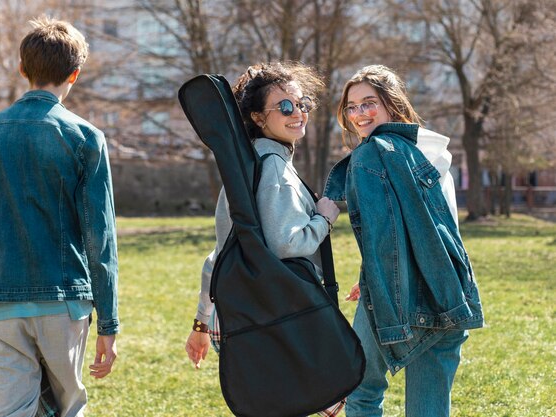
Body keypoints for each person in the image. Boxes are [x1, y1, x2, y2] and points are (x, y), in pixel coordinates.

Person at [0, 16, 119, 417]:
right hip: (65, 301)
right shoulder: (87, 138)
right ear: (75, 73)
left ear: (22, 69)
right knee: (67, 409)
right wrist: (109, 323)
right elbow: (99, 238)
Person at [184, 62, 344, 416]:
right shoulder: (273, 168)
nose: (297, 113)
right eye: (284, 106)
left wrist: (202, 321)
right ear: (258, 117)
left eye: (301, 104)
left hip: (246, 312)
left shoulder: (244, 165)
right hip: (284, 315)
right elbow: (286, 245)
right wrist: (324, 218)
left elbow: (220, 253)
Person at [324, 64, 484, 417]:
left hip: (397, 297)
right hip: (450, 294)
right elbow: (431, 230)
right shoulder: (432, 149)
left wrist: (377, 281)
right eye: (351, 107)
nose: (358, 114)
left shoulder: (370, 155)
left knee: (362, 391)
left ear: (391, 104)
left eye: (369, 103)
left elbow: (387, 237)